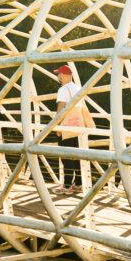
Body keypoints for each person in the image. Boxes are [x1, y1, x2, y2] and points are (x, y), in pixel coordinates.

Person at [53, 65, 84, 194]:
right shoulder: (77, 88)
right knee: (76, 156)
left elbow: (61, 106)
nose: (58, 77)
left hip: (66, 125)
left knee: (66, 157)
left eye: (59, 75)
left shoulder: (63, 89)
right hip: (77, 125)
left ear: (64, 76)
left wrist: (57, 124)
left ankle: (66, 186)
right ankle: (78, 183)